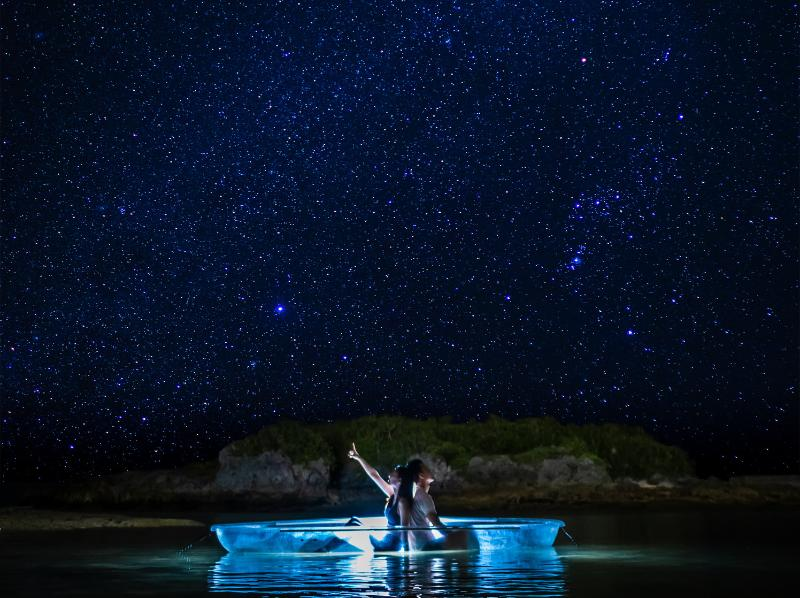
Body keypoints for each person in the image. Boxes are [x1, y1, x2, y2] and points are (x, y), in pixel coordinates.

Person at [347, 442, 404, 550]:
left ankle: (325, 548)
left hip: (391, 545)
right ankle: (327, 546)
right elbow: (374, 475)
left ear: (400, 480)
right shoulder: (392, 494)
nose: (389, 475)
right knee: (354, 521)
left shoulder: (403, 500)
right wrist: (358, 458)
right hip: (386, 540)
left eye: (393, 473)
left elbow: (406, 527)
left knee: (354, 525)